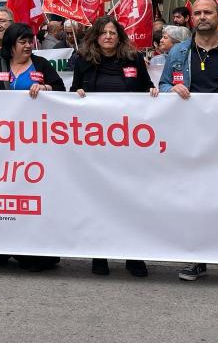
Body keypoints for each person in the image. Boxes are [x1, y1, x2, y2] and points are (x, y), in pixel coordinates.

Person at [158, 0, 218, 286]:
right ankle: (197, 257)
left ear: (217, 16)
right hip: (190, 138)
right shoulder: (178, 54)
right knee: (196, 199)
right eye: (197, 13)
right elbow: (162, 85)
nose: (202, 17)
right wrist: (171, 89)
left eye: (207, 12)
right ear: (191, 19)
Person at [71, 16, 156, 277]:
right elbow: (73, 91)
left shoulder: (133, 60)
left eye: (113, 32)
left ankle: (134, 255)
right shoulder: (83, 62)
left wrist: (153, 93)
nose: (108, 36)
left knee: (130, 199)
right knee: (100, 199)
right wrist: (77, 95)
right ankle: (100, 253)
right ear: (96, 37)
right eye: (104, 32)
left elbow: (147, 88)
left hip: (128, 143)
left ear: (119, 36)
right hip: (96, 145)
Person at [0, 23, 65, 271]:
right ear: (10, 44)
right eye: (22, 41)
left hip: (35, 146)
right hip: (0, 145)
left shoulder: (42, 65)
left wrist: (46, 88)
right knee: (0, 195)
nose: (28, 45)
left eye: (30, 41)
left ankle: (35, 253)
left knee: (31, 198)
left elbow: (61, 89)